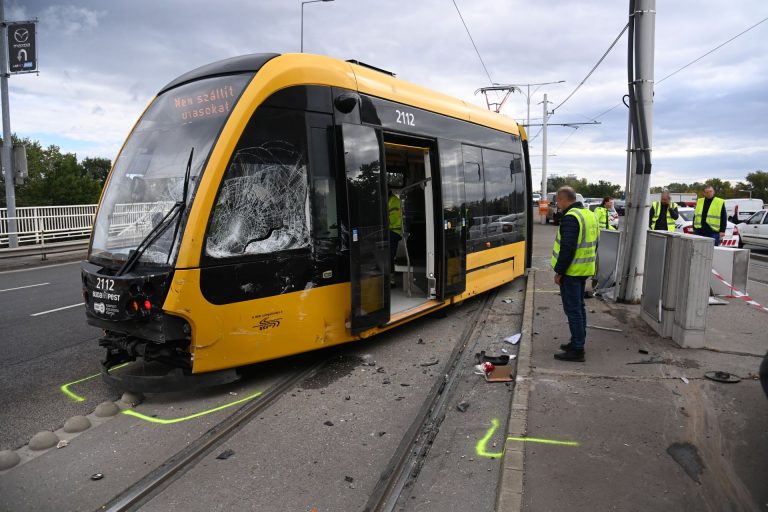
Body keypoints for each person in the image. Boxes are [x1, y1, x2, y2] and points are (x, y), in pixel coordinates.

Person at [551, 186, 598, 362]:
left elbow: (567, 248)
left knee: (573, 310)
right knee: (579, 308)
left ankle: (577, 349)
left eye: (558, 200)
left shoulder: (571, 218)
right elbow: (596, 243)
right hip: (584, 269)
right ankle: (576, 342)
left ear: (564, 200)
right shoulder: (589, 214)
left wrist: (559, 272)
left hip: (572, 271)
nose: (557, 204)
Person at [388, 190, 403, 272]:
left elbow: (392, 219)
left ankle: (391, 279)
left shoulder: (393, 201)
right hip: (393, 230)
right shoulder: (392, 200)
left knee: (389, 255)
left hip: (394, 231)